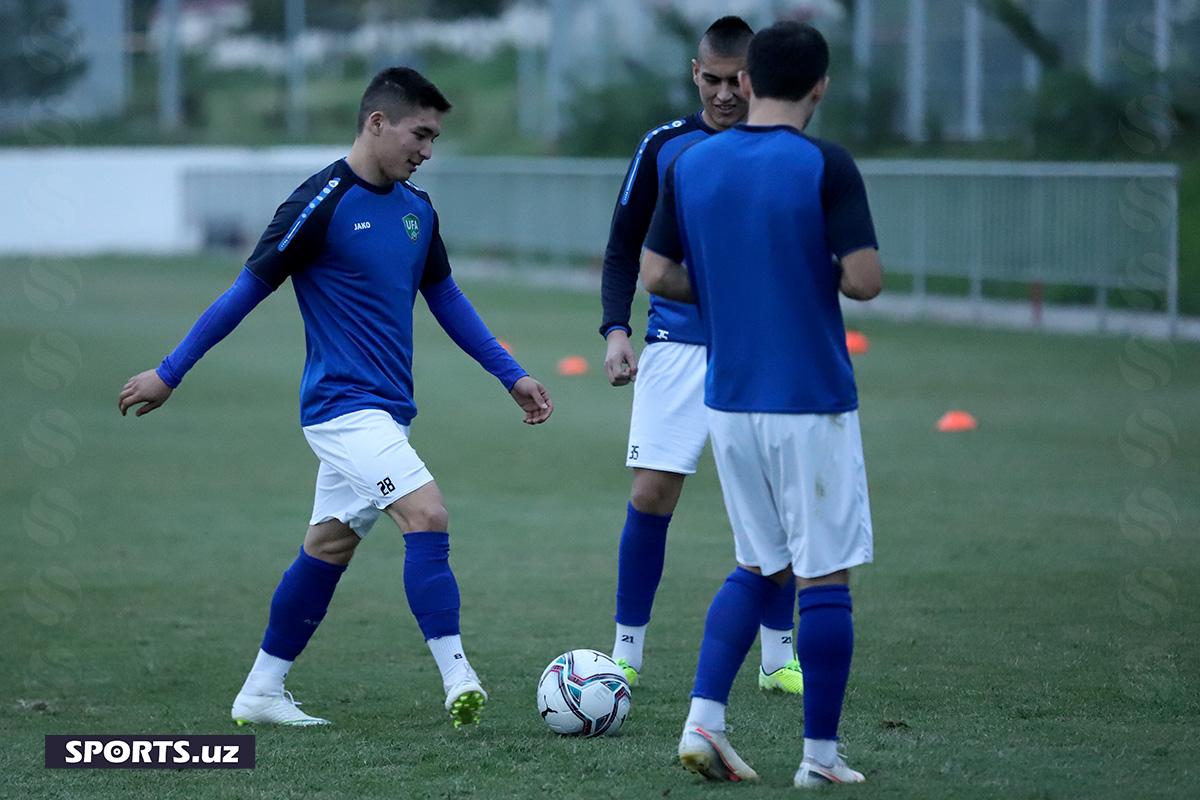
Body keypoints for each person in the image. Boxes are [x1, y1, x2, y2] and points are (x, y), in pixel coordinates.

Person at [118, 67, 553, 729]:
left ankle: (260, 692)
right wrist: (169, 372)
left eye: (435, 138)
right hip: (340, 409)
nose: (428, 150)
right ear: (377, 122)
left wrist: (510, 373)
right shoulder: (317, 202)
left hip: (388, 412)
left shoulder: (417, 210)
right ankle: (458, 674)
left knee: (328, 546)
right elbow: (245, 291)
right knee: (427, 515)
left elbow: (445, 298)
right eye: (421, 134)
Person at [641, 21, 883, 787]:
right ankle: (818, 758)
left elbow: (656, 272)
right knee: (825, 578)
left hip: (729, 398)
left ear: (744, 82)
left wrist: (730, 284)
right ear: (821, 86)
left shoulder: (694, 162)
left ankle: (703, 722)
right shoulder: (824, 164)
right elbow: (865, 280)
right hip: (807, 396)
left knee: (757, 563)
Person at [599, 15, 802, 695]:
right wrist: (615, 330)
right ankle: (626, 652)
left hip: (758, 350)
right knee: (652, 493)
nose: (723, 94)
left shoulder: (784, 147)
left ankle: (778, 660)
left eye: (735, 80)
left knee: (773, 507)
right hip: (675, 346)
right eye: (711, 80)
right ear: (695, 73)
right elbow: (625, 243)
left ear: (757, 78)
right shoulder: (666, 146)